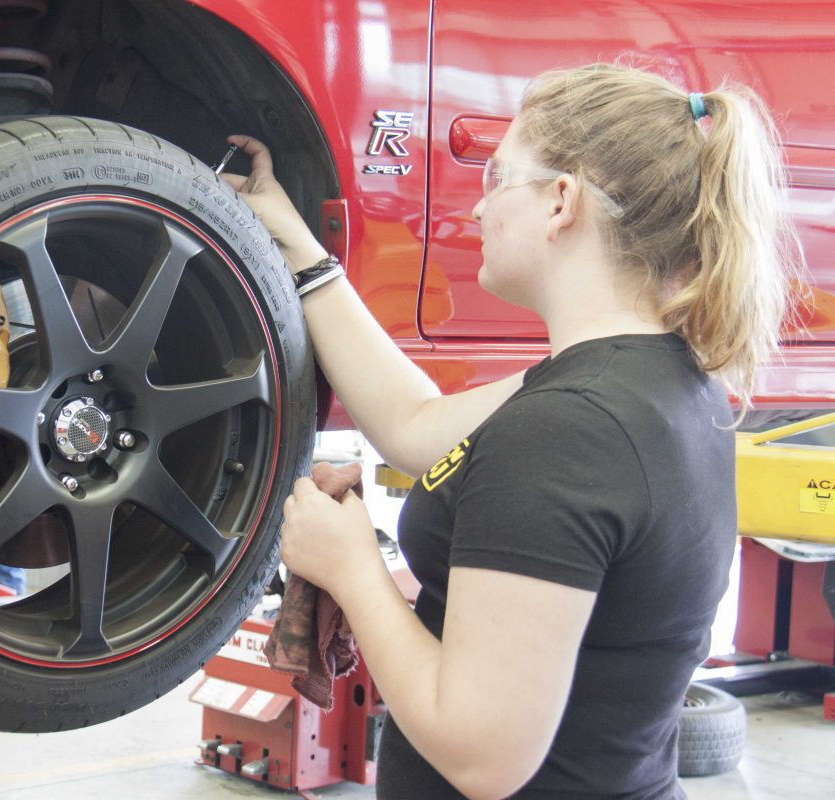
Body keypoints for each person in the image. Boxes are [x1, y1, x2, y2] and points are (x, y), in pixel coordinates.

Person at [222, 63, 798, 799]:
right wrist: (299, 248)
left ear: (562, 201)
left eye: (498, 179)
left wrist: (353, 568)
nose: (478, 206)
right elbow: (414, 422)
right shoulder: (652, 382)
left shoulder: (567, 434)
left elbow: (483, 756)